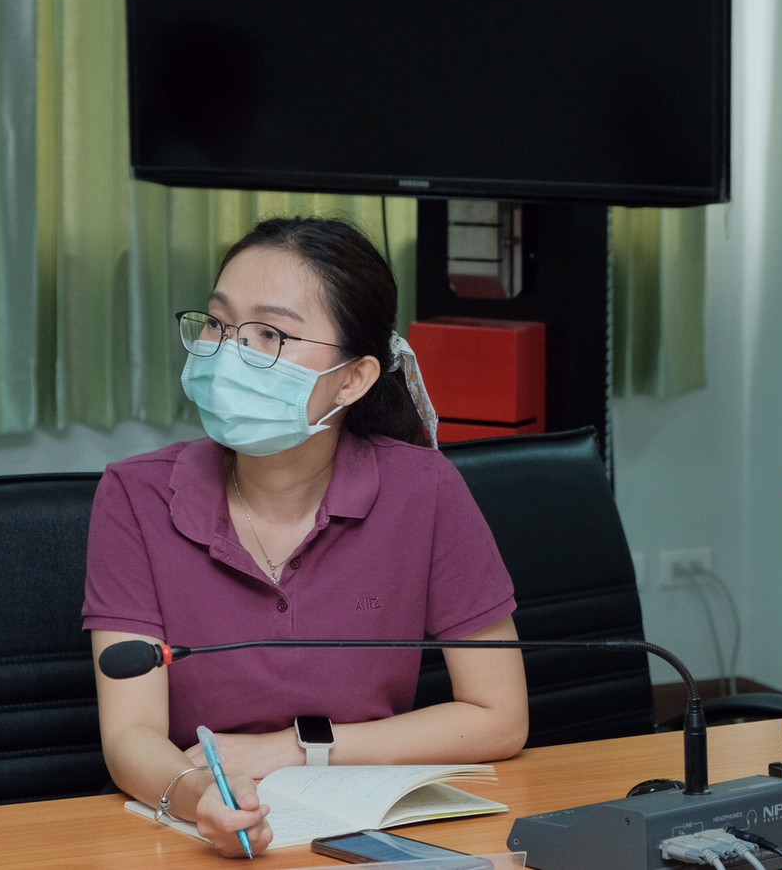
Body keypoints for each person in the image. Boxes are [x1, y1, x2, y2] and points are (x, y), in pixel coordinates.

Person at [83, 216, 528, 858]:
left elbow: (500, 716)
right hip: (187, 832)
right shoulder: (135, 494)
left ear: (353, 379)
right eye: (218, 324)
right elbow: (131, 735)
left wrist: (296, 749)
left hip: (368, 828)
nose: (229, 352)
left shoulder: (425, 489)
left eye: (270, 334)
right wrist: (200, 795)